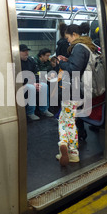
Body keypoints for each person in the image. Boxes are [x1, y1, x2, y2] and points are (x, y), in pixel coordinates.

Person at [55, 24, 99, 166]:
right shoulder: (89, 46)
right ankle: (72, 152)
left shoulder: (79, 47)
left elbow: (74, 69)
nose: (68, 41)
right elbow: (78, 65)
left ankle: (65, 145)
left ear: (74, 34)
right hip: (81, 90)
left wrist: (62, 63)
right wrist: (69, 61)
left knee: (64, 121)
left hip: (74, 90)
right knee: (69, 120)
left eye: (68, 37)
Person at [19, 44, 54, 121]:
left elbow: (36, 73)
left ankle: (44, 110)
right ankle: (30, 112)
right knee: (31, 87)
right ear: (18, 52)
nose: (27, 53)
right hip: (21, 85)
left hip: (32, 82)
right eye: (24, 51)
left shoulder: (31, 61)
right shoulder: (17, 63)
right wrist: (32, 83)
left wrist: (37, 83)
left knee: (44, 85)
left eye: (27, 51)